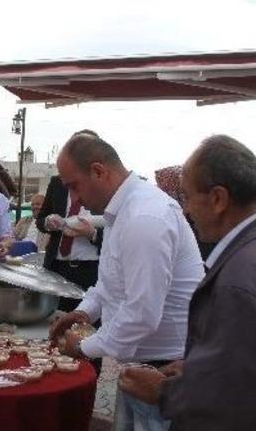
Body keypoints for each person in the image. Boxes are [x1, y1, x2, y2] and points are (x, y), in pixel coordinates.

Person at [119, 135, 256, 431]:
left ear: (218, 199)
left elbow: (237, 400)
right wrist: (200, 369)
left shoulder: (240, 277)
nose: (186, 211)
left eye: (187, 197)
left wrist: (164, 392)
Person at [49, 134, 203, 431]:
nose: (75, 198)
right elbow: (110, 282)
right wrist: (84, 312)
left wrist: (83, 346)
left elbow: (142, 313)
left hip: (165, 368)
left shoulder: (145, 215)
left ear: (99, 171)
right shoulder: (122, 212)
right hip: (140, 362)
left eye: (73, 185)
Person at [37, 130, 103, 313]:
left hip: (88, 270)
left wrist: (92, 233)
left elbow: (117, 233)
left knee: (84, 320)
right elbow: (40, 219)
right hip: (56, 266)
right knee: (51, 318)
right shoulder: (57, 182)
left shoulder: (103, 186)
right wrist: (48, 221)